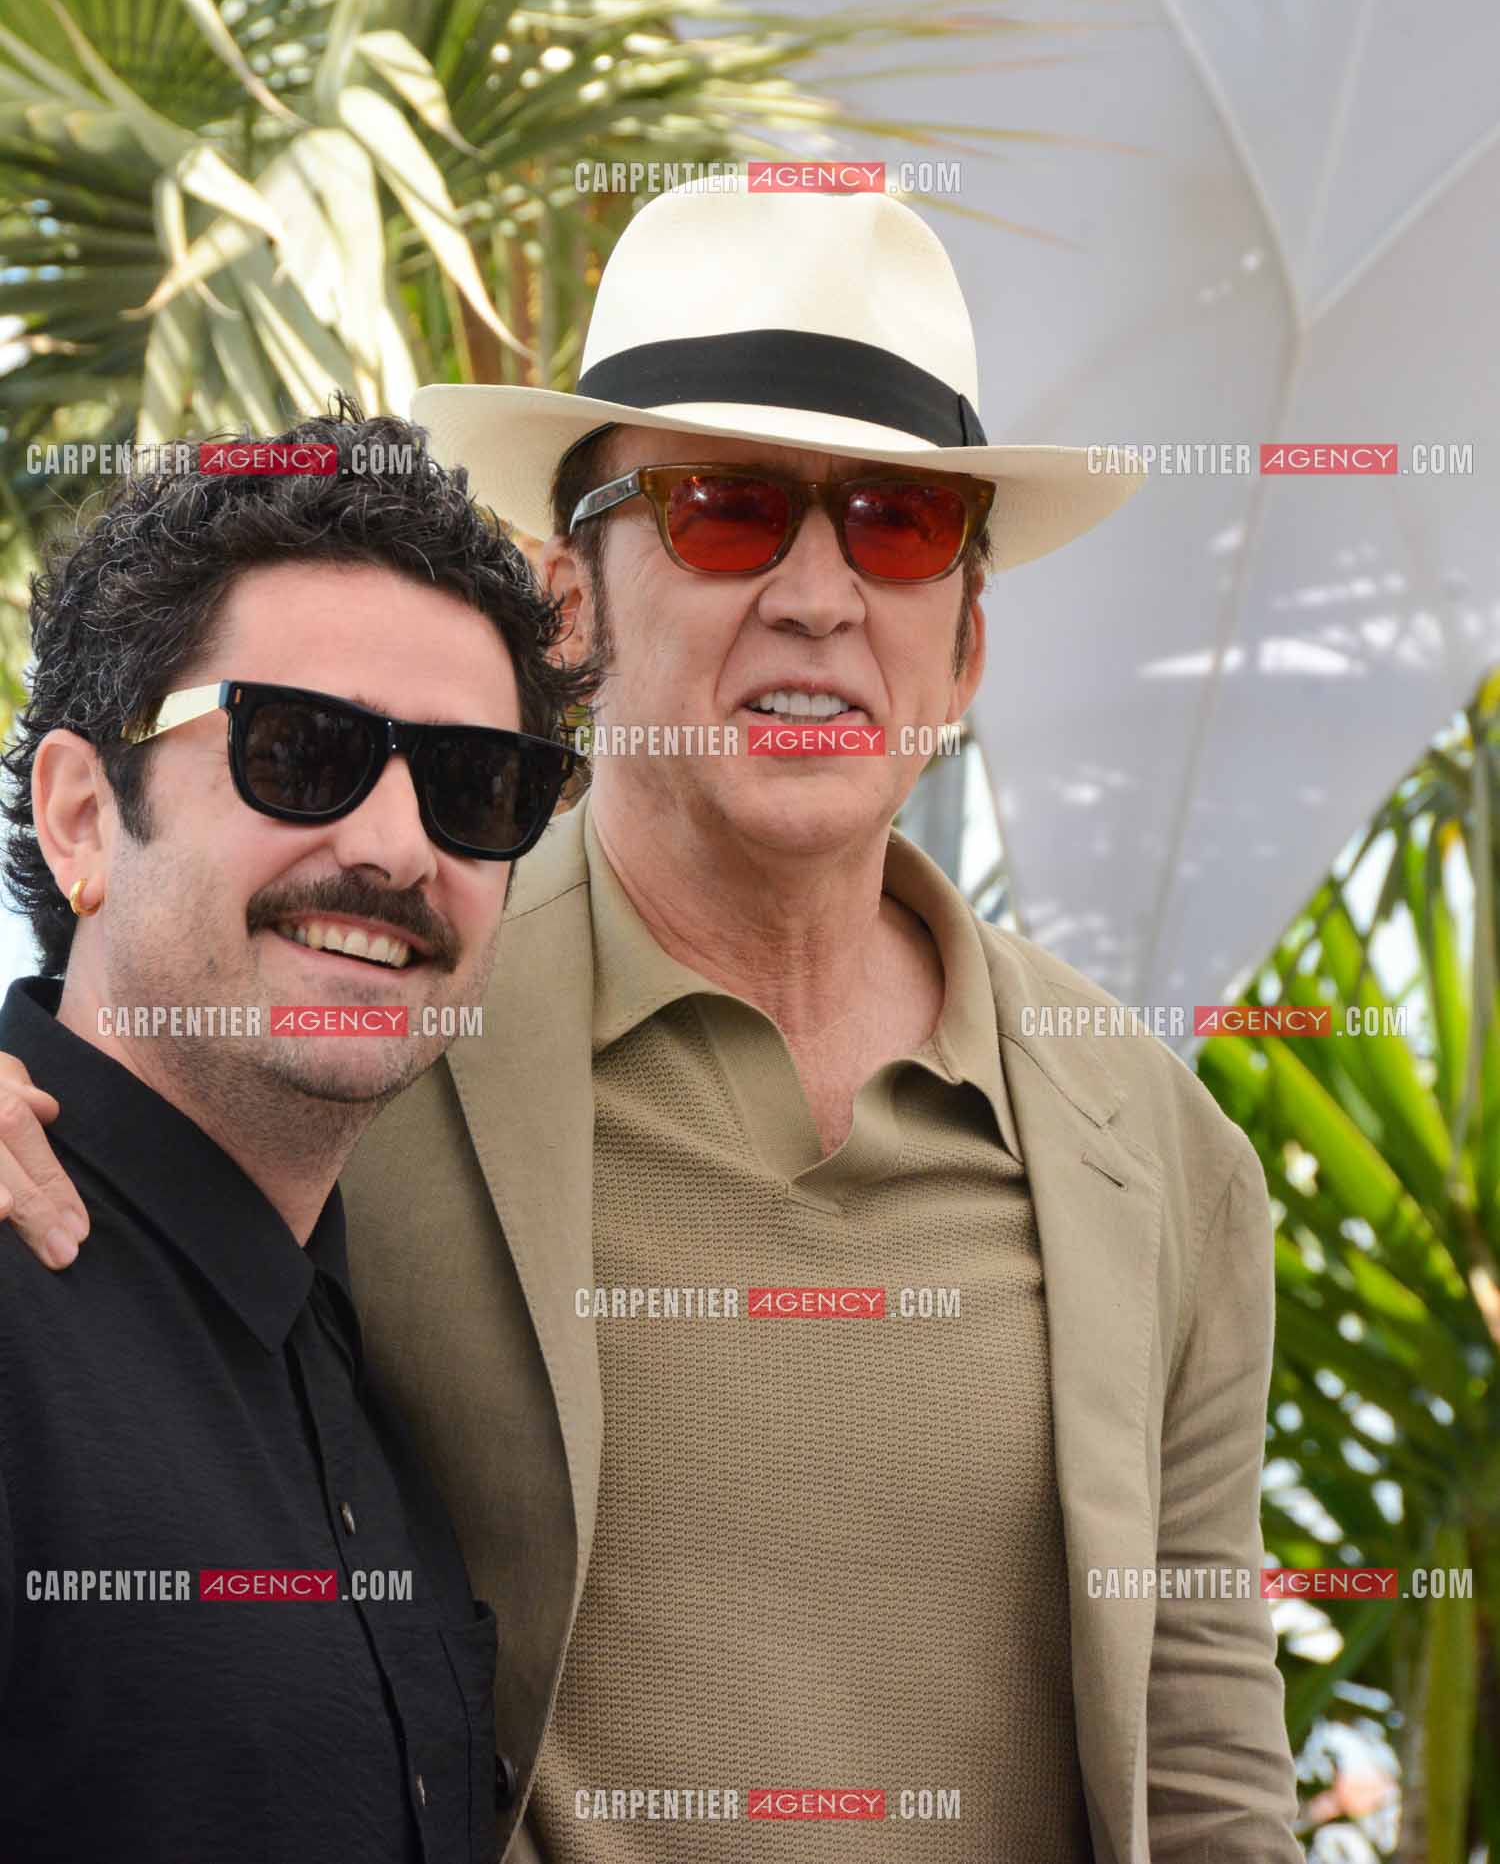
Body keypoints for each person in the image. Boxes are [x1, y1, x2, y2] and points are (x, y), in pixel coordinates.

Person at [0, 183, 1304, 1861]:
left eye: (901, 524)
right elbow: (139, 1078)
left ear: (966, 644)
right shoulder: (383, 1013)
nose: (822, 595)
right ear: (575, 606)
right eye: (728, 509)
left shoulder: (1158, 1152)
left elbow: (1205, 1770)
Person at [0, 402, 583, 1864]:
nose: (395, 846)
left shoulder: (376, 1349)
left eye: (473, 785)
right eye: (300, 748)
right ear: (83, 817)